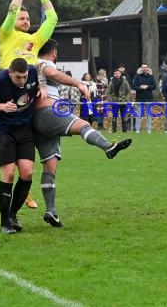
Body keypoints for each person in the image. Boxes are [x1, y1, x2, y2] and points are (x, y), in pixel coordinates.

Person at [0, 0, 58, 213]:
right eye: (23, 18)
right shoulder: (7, 34)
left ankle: (24, 194)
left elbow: (52, 19)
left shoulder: (35, 40)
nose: (26, 21)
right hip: (2, 95)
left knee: (23, 152)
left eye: (28, 18)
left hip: (26, 100)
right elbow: (11, 12)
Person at [33, 39, 132, 227]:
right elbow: (52, 72)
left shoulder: (32, 64)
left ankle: (51, 211)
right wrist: (78, 84)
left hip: (36, 120)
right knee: (83, 124)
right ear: (54, 53)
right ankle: (108, 146)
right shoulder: (45, 63)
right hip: (48, 113)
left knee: (50, 166)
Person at [0, 58, 40, 234]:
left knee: (27, 173)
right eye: (18, 77)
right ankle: (4, 221)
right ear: (10, 73)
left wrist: (41, 90)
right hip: (4, 131)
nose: (22, 81)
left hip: (25, 130)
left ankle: (13, 215)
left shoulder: (32, 72)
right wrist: (2, 107)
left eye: (24, 77)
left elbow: (36, 87)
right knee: (8, 174)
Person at [132, 63, 156, 133]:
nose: (144, 68)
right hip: (140, 98)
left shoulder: (151, 76)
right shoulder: (137, 76)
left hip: (149, 98)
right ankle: (137, 129)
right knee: (138, 115)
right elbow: (133, 86)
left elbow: (154, 86)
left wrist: (148, 86)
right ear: (141, 68)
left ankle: (149, 129)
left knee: (149, 115)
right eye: (143, 67)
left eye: (145, 67)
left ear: (147, 68)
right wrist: (140, 87)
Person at [107, 68, 131, 133]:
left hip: (123, 102)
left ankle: (124, 131)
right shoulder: (111, 82)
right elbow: (108, 92)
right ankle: (114, 131)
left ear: (120, 74)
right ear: (114, 75)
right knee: (114, 117)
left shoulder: (125, 81)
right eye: (115, 74)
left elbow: (129, 91)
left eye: (118, 73)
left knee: (124, 117)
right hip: (114, 102)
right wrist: (111, 100)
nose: (117, 75)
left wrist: (126, 99)